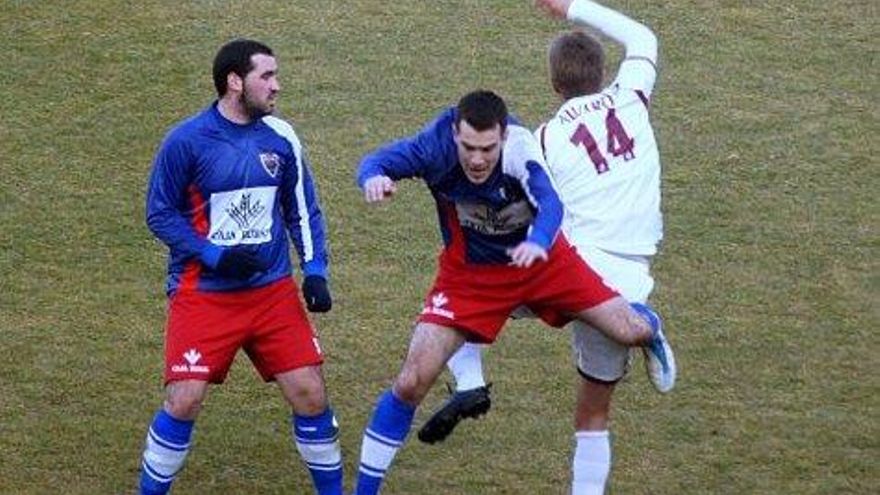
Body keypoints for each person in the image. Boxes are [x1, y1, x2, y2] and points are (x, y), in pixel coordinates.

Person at [351, 89, 674, 494]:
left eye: (487, 148)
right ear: (455, 133)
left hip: (545, 264)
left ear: (503, 136)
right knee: (412, 380)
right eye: (468, 147)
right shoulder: (433, 145)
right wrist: (373, 178)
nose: (477, 159)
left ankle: (652, 327)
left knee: (628, 331)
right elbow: (376, 161)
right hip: (470, 277)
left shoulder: (521, 148)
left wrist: (538, 239)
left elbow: (551, 203)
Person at [417, 1, 674, 493]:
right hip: (631, 275)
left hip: (577, 275)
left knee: (459, 302)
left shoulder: (545, 138)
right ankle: (644, 326)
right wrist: (574, 6)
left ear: (555, 85)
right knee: (593, 413)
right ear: (601, 73)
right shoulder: (631, 99)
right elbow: (643, 38)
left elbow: (539, 207)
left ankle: (469, 381)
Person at [137, 39, 342, 495]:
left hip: (271, 292)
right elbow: (160, 214)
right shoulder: (186, 141)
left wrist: (314, 270)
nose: (277, 86)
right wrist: (214, 254)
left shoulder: (282, 137)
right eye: (266, 76)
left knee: (310, 392)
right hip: (204, 291)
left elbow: (301, 207)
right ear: (234, 81)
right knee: (184, 399)